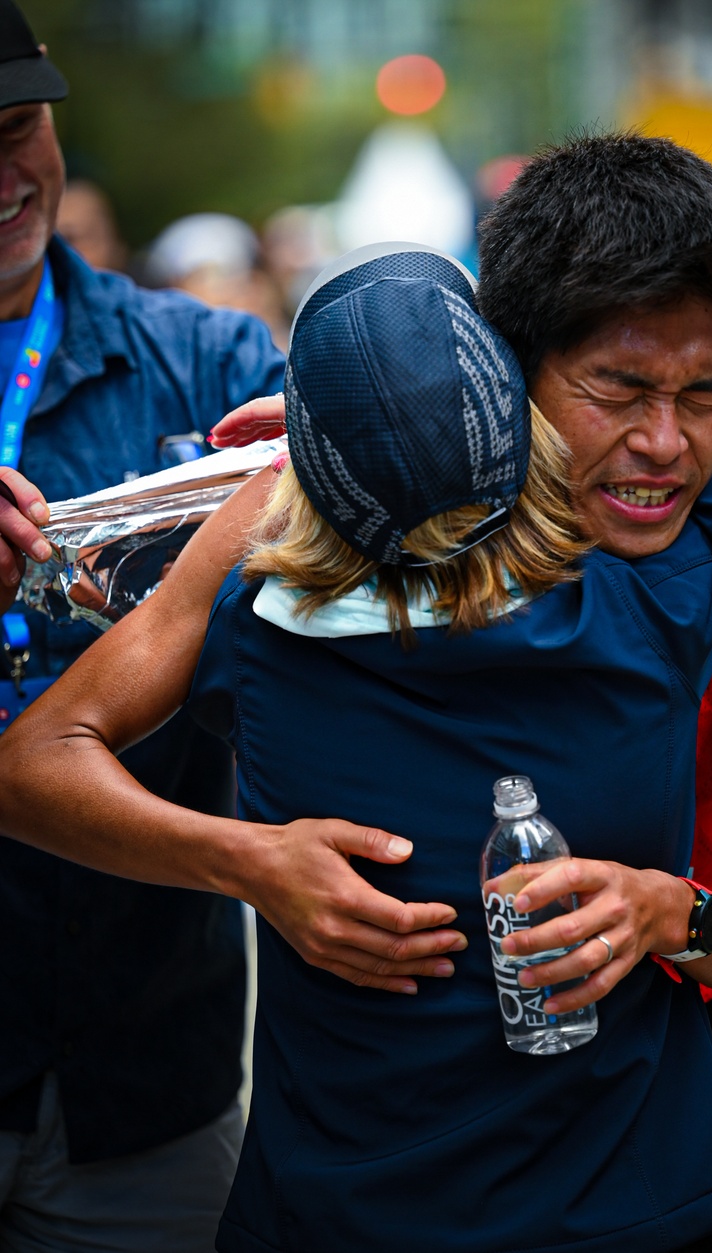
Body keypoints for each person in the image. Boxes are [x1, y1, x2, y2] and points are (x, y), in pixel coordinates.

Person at [0, 135, 712, 1252]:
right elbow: (36, 758)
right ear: (509, 364)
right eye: (617, 391)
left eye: (705, 394)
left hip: (640, 1173)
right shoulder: (284, 531)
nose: (662, 443)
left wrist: (666, 910)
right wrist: (251, 860)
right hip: (340, 1195)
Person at [0, 3, 285, 1248]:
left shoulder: (207, 359)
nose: (7, 177)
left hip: (148, 1074)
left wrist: (341, 476)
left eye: (19, 130)